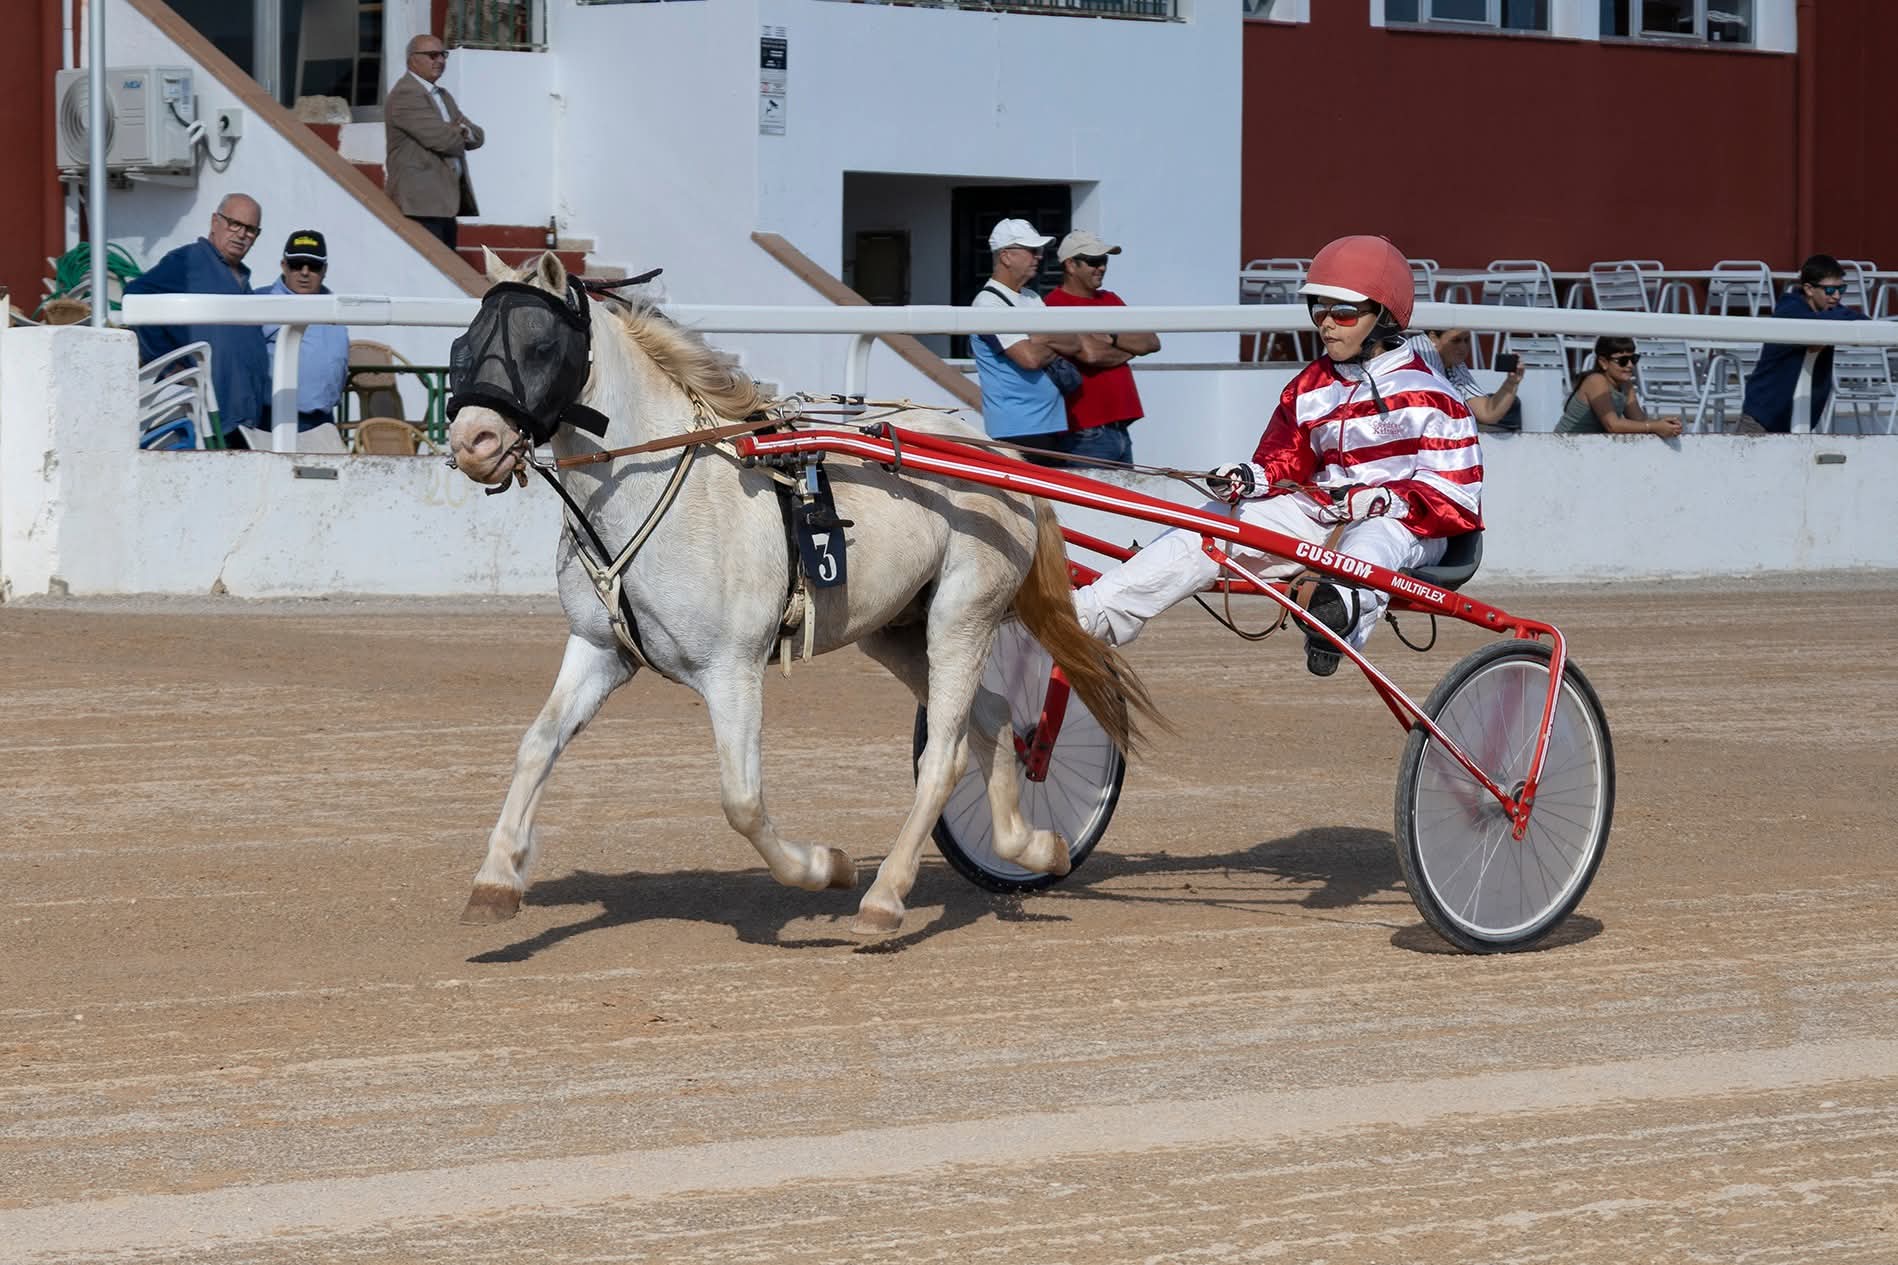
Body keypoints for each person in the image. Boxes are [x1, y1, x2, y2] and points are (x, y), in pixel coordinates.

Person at [1071, 235, 1482, 677]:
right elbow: (1282, 459)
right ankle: (1088, 614)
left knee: (1376, 537)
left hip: (1413, 527)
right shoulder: (1308, 386)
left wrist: (1380, 501)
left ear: (1383, 316)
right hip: (1321, 514)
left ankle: (1335, 616)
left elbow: (1454, 500)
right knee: (1217, 520)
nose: (1326, 324)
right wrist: (1249, 475)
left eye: (1342, 312)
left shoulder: (1434, 397)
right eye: (1318, 310)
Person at [124, 192, 271, 448]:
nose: (241, 234)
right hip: (208, 420)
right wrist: (169, 365)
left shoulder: (242, 278)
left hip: (244, 423)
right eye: (234, 224)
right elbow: (137, 298)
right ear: (215, 221)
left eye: (250, 230)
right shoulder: (188, 261)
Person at [969, 218, 1088, 464]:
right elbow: (1029, 358)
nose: (1039, 257)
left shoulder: (1031, 297)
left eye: (1039, 250)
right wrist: (1048, 339)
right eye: (1032, 250)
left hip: (1048, 425)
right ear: (1006, 256)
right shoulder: (988, 304)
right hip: (1017, 430)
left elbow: (1075, 343)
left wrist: (1040, 339)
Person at [1040, 231, 1162, 464]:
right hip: (1085, 433)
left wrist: (1111, 338)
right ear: (1070, 265)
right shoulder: (1055, 304)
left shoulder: (1110, 299)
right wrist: (1130, 348)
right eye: (1094, 261)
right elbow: (1092, 354)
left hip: (1120, 430)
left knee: (1122, 501)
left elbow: (1151, 342)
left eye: (1104, 261)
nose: (1102, 268)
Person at [1739, 253, 1871, 433]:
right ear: (1809, 289)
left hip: (1798, 420)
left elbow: (1864, 323)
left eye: (1842, 289)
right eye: (1830, 290)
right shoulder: (1790, 310)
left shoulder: (1830, 312)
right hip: (1762, 419)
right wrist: (1844, 316)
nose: (1837, 296)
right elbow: (1821, 325)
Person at [384, 33, 484, 249]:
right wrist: (456, 131)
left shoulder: (442, 95)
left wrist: (459, 130)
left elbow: (478, 137)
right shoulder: (406, 94)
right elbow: (443, 140)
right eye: (432, 55)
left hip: (444, 204)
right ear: (413, 59)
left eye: (443, 55)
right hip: (420, 205)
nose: (440, 60)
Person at [254, 229, 350, 451]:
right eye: (297, 264)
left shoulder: (336, 306)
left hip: (322, 421)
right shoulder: (260, 302)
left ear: (324, 270)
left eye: (313, 266)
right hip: (272, 420)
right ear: (284, 266)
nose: (305, 273)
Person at [1555, 337, 1682, 437]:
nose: (1630, 365)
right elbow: (1613, 425)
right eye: (1623, 361)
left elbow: (1640, 421)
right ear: (1603, 362)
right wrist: (1654, 427)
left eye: (1634, 359)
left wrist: (1663, 424)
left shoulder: (1626, 385)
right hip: (1564, 448)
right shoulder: (1596, 381)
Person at [1407, 328, 1523, 431]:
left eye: (1466, 340)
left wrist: (1512, 382)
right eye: (1456, 341)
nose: (1463, 347)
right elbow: (1435, 411)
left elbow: (1487, 413)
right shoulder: (1421, 348)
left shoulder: (1452, 361)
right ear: (1433, 337)